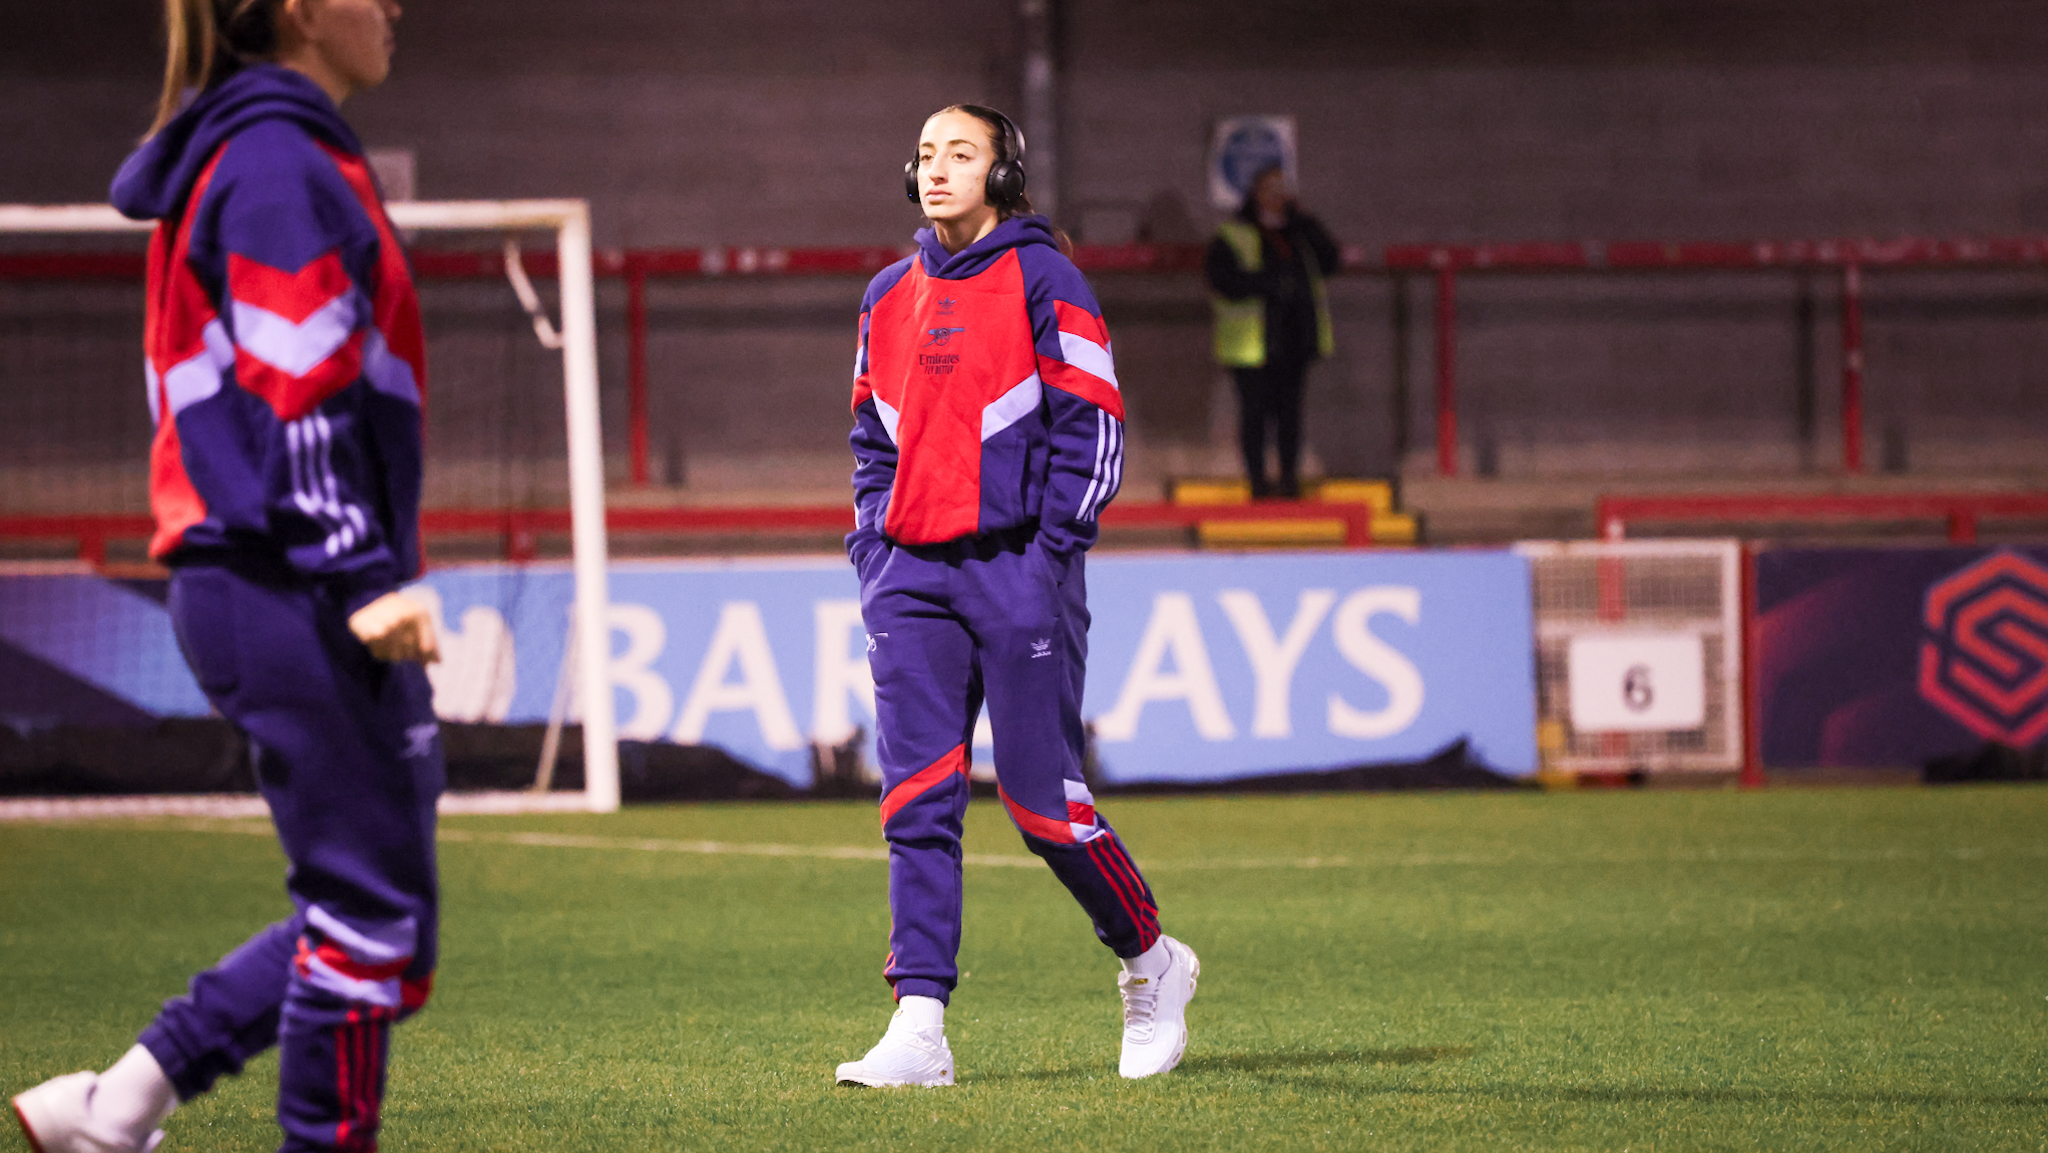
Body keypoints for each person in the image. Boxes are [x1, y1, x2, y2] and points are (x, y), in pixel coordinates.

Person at [11, 2, 443, 1151]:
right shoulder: (273, 160)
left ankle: (114, 1109)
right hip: (285, 576)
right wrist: (360, 575)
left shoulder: (274, 149)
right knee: (366, 916)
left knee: (382, 911)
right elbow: (294, 373)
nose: (394, 6)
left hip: (275, 573)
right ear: (299, 9)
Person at [834, 104, 1199, 1088]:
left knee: (1044, 806)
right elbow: (870, 440)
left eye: (960, 153)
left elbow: (1095, 429)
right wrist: (875, 551)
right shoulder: (882, 295)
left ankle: (1151, 962)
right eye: (924, 155)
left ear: (1002, 174)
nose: (938, 168)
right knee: (914, 798)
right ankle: (918, 1025)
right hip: (908, 579)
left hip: (1019, 574)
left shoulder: (1049, 279)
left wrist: (1047, 559)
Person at [1205, 164, 1340, 499]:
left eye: (1283, 189)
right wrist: (1268, 285)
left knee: (1290, 415)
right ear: (1256, 194)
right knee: (1254, 416)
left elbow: (1331, 260)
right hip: (1252, 346)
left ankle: (1289, 480)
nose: (1277, 196)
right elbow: (1223, 281)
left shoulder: (1300, 232)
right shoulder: (1233, 234)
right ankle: (1258, 483)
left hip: (1295, 340)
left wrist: (1306, 221)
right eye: (1270, 189)